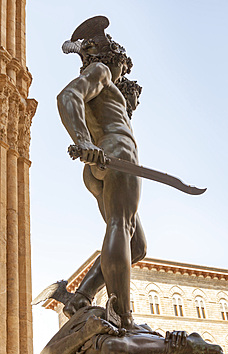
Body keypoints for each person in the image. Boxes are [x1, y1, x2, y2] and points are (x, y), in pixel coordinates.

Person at [57, 16, 146, 329]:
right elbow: (67, 96)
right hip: (116, 155)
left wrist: (90, 147)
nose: (123, 74)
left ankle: (82, 295)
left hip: (101, 164)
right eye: (123, 67)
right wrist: (82, 141)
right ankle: (123, 318)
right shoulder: (102, 72)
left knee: (136, 245)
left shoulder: (107, 83)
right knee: (121, 224)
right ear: (114, 59)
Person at [29, 306, 228, 354]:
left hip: (118, 340)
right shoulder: (84, 322)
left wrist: (83, 333)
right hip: (110, 346)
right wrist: (84, 334)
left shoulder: (85, 316)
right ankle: (183, 343)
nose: (68, 308)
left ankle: (185, 343)